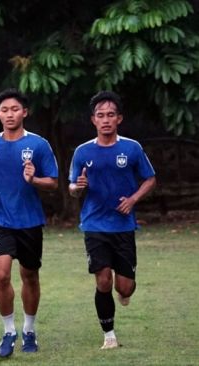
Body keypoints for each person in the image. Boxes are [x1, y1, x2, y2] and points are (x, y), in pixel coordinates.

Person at [0, 88, 58, 358]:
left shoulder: (38, 145)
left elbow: (53, 183)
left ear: (25, 112)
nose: (10, 114)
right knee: (1, 274)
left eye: (15, 109)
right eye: (4, 110)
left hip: (29, 221)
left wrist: (34, 179)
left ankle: (29, 330)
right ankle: (9, 331)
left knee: (29, 275)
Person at [68, 91, 156, 350]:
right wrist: (78, 187)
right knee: (103, 279)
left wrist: (133, 199)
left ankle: (125, 291)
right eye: (100, 115)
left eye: (110, 115)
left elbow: (150, 179)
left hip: (123, 226)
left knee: (125, 288)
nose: (105, 120)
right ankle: (109, 336)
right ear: (93, 120)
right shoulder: (83, 152)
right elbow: (73, 186)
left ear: (119, 118)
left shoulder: (132, 148)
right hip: (94, 224)